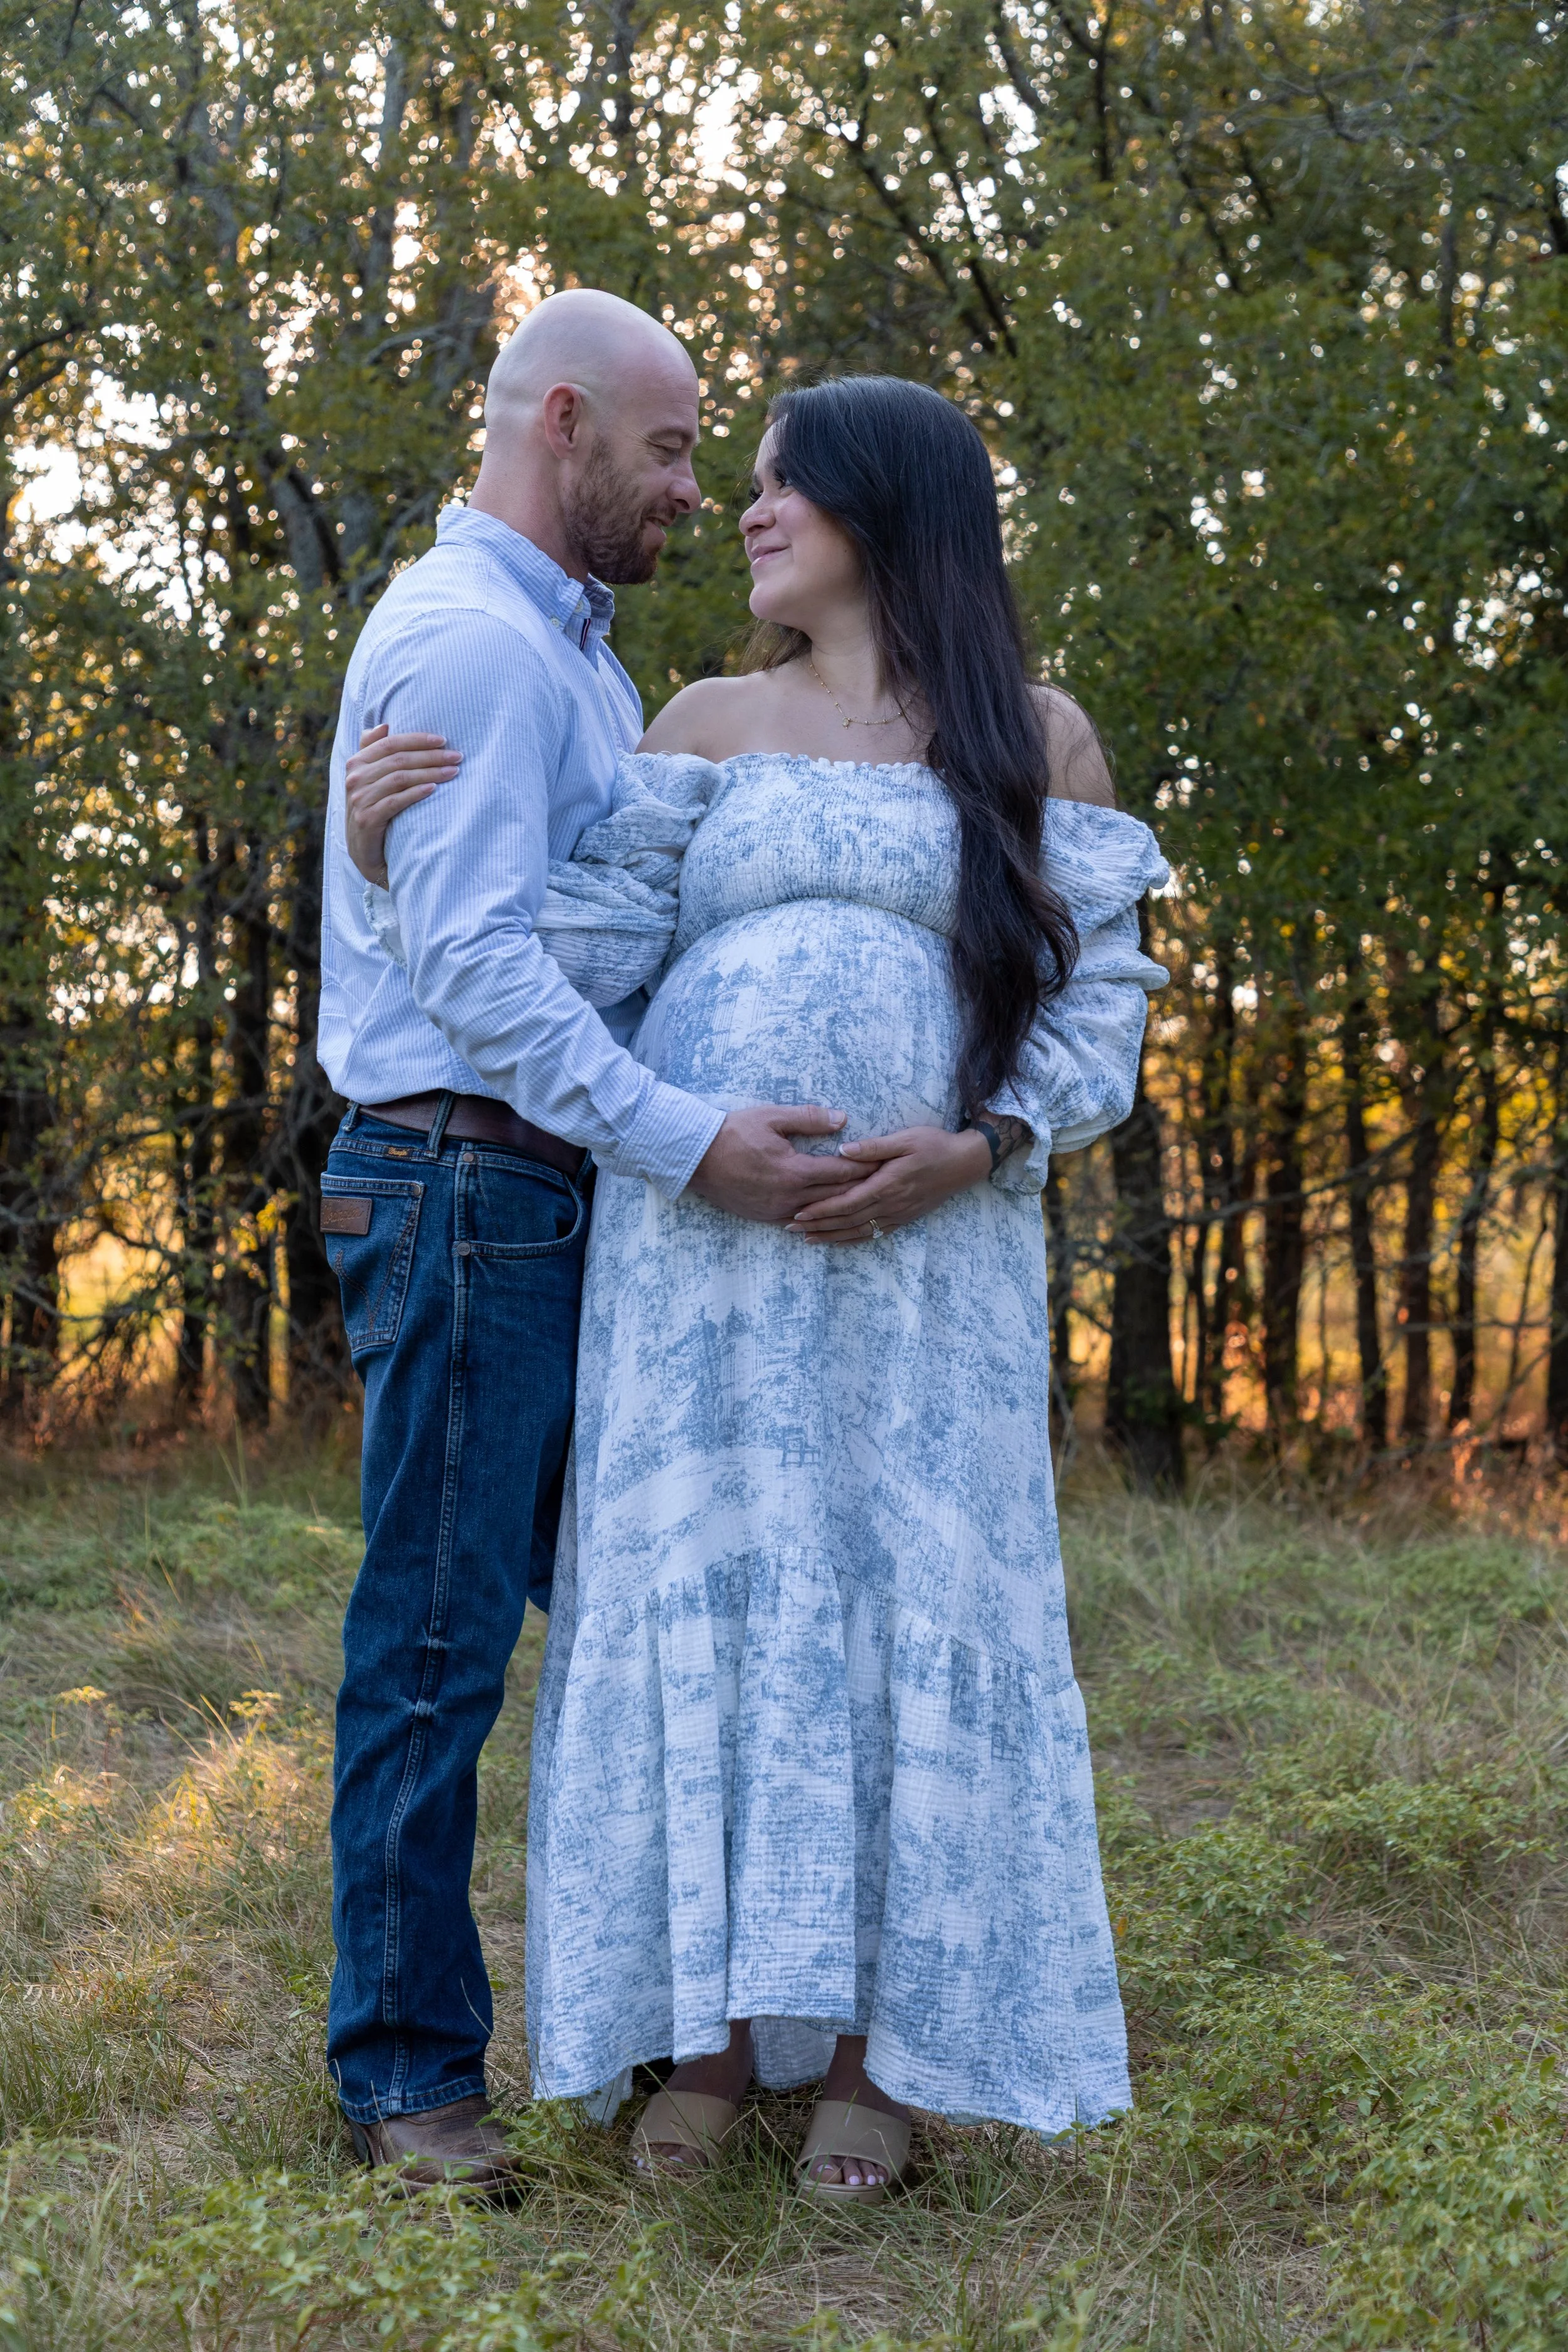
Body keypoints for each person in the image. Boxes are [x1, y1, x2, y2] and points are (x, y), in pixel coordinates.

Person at [345, 374, 1168, 2204]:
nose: (743, 508)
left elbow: (1099, 1001)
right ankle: (711, 2036)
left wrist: (983, 1140)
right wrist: (387, 852)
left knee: (894, 1592)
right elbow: (565, 959)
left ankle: (878, 2056)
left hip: (928, 1262)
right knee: (708, 1587)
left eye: (782, 483)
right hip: (697, 1259)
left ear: (893, 507)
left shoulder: (1037, 736)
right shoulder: (701, 719)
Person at [314, 289, 869, 2195]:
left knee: (645, 1616)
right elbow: (476, 975)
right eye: (670, 447)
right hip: (469, 1187)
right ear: (561, 422)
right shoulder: (471, 644)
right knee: (438, 1646)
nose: (692, 488)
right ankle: (404, 2075)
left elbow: (585, 924)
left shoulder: (569, 663)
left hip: (542, 1195)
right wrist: (685, 1141)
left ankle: (698, 2021)